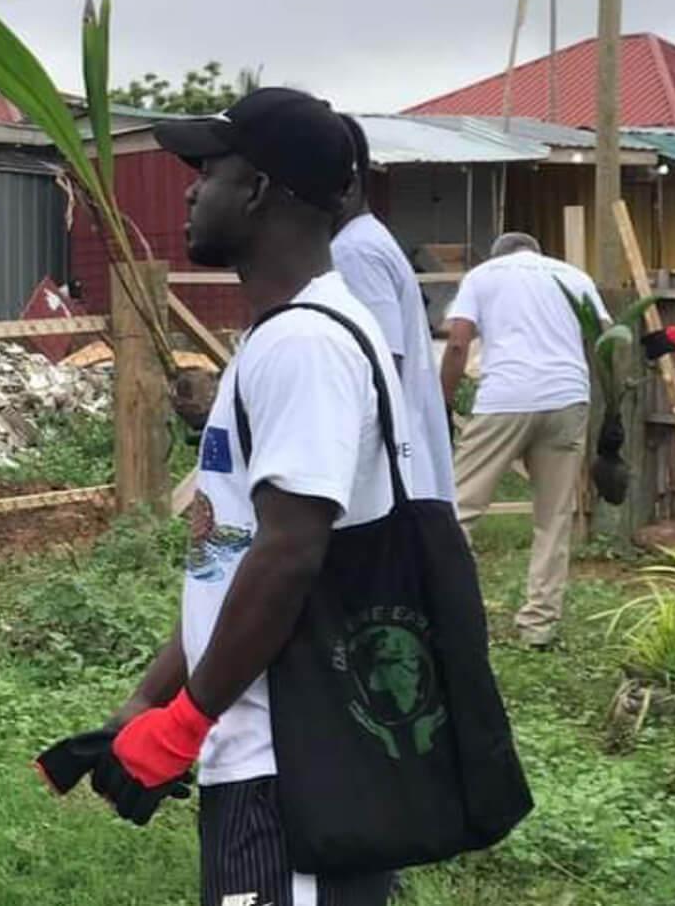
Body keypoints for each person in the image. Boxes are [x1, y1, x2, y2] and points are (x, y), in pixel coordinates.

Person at [100, 88, 412, 906]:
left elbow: (290, 552)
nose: (192, 190)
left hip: (295, 759)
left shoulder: (306, 344)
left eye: (210, 170)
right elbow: (232, 555)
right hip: (264, 748)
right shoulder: (285, 334)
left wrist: (184, 720)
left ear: (262, 190)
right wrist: (150, 696)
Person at [441, 233, 605, 648]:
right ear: (536, 249)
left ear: (500, 252)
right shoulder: (574, 276)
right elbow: (604, 342)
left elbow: (459, 342)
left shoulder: (483, 275)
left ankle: (446, 609)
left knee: (459, 508)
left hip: (506, 398)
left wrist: (441, 398)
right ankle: (539, 627)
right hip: (568, 398)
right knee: (554, 518)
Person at [331, 115, 457, 503]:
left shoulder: (354, 252)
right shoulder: (368, 240)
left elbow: (381, 368)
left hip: (385, 485)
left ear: (348, 186)